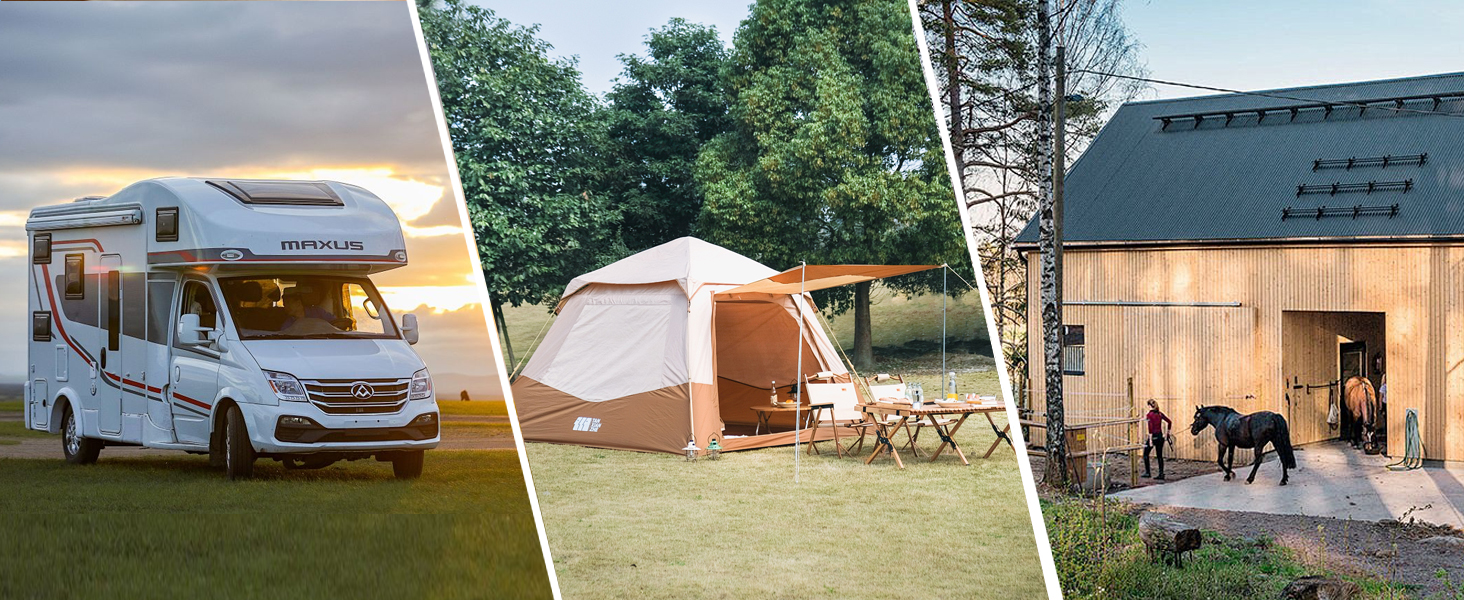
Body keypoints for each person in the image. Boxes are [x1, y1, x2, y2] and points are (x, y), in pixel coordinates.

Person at [1142, 399, 1172, 480]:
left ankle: (1148, 472)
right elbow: (1169, 422)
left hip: (1153, 436)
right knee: (1159, 456)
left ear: (1149, 406)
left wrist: (1150, 440)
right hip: (1160, 436)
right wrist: (1167, 433)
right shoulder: (1160, 413)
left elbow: (1150, 428)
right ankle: (1161, 473)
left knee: (1145, 454)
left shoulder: (1149, 415)